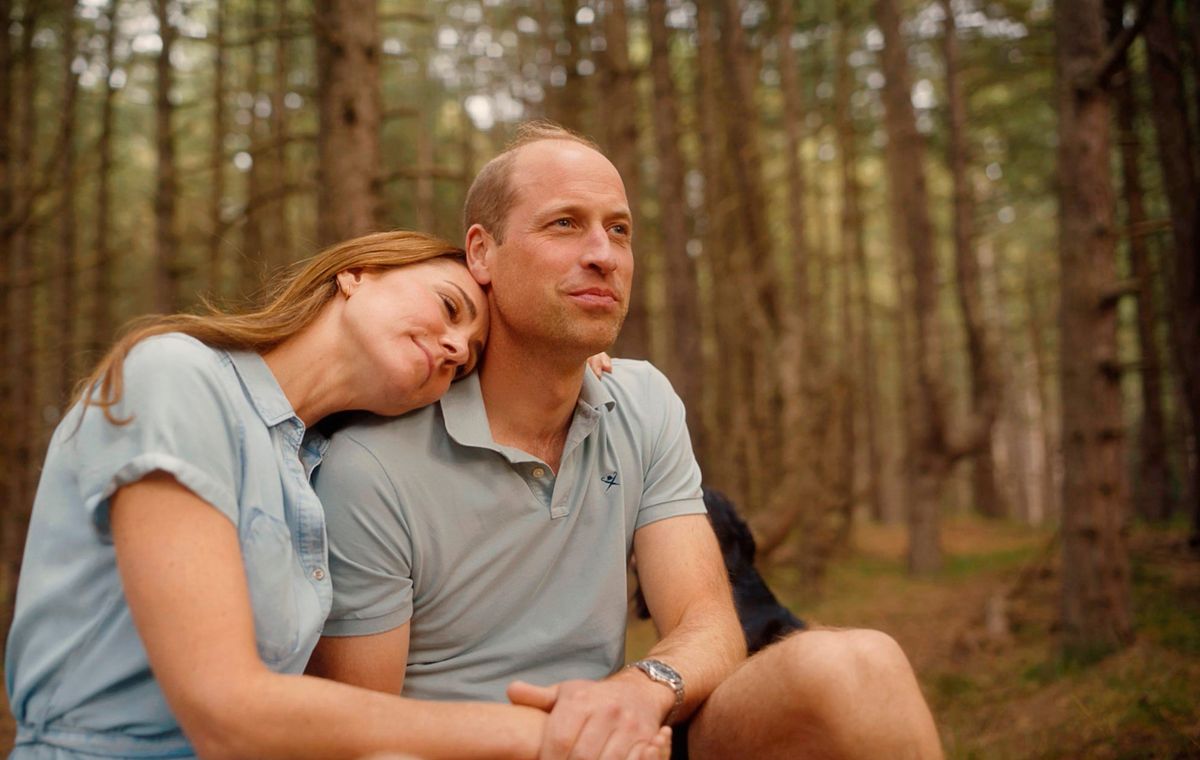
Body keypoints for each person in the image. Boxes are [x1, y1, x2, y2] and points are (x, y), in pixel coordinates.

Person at [310, 124, 945, 759]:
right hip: (473, 749)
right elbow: (359, 733)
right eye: (564, 224)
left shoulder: (641, 402)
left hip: (631, 739)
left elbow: (708, 625)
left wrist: (639, 692)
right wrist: (550, 740)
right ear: (482, 252)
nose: (603, 255)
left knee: (861, 663)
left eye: (619, 230)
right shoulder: (372, 461)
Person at [4, 229, 669, 760]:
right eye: (448, 307)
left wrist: (568, 366)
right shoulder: (179, 376)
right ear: (357, 274)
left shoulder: (315, 467)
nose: (451, 347)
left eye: (466, 360)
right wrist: (546, 738)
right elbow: (224, 712)